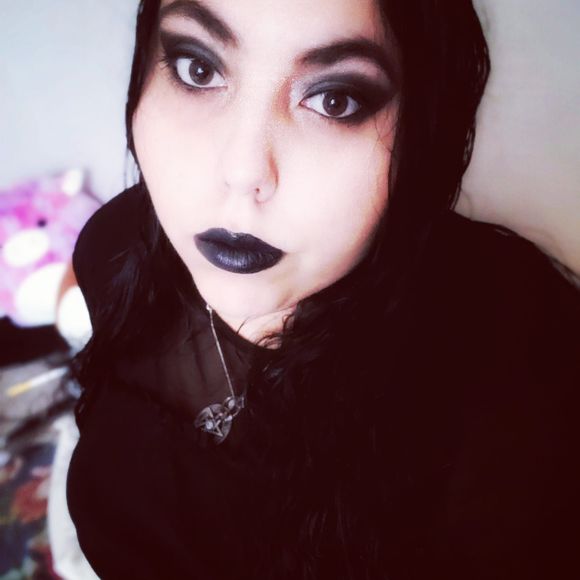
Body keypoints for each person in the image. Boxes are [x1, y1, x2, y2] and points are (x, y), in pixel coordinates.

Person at [66, 0, 580, 578]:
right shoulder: (115, 248)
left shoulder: (520, 368)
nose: (242, 172)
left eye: (335, 100)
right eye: (198, 69)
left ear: (423, 126)